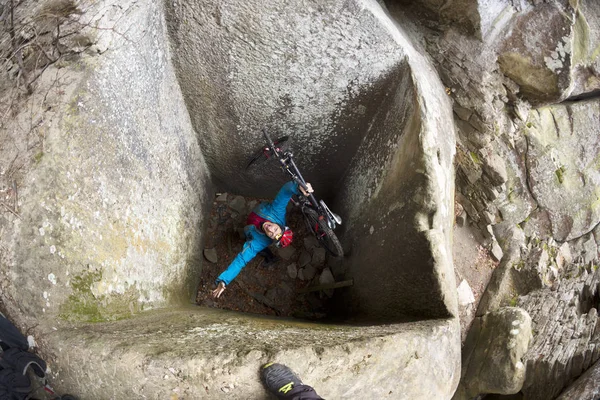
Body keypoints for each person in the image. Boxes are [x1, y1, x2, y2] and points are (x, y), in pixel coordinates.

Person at [211, 180, 313, 299]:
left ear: (270, 239)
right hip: (252, 227)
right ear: (279, 225)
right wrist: (299, 188)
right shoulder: (277, 212)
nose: (270, 230)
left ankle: (270, 257)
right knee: (256, 243)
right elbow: (286, 192)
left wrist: (224, 280)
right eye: (275, 229)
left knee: (259, 248)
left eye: (271, 235)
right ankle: (270, 256)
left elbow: (241, 260)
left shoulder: (260, 242)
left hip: (253, 233)